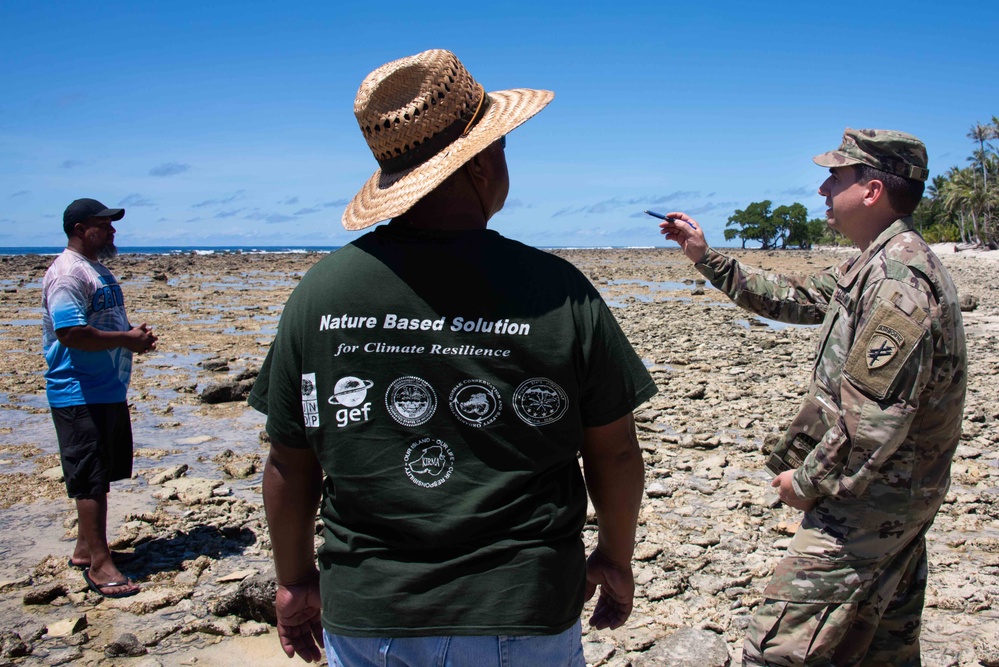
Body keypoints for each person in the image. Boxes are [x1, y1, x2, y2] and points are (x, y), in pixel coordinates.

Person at [248, 49, 657, 665]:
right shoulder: (558, 289)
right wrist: (616, 557)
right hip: (526, 604)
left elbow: (289, 461)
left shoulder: (320, 293)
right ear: (481, 163)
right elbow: (617, 450)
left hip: (372, 611)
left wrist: (295, 578)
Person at [658, 129, 967, 666]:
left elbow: (873, 420)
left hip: (872, 498)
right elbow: (797, 300)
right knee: (880, 648)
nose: (823, 188)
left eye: (836, 176)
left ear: (872, 191)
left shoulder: (899, 278)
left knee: (778, 648)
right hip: (894, 493)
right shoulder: (872, 261)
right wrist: (705, 257)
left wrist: (805, 482)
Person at [42, 198, 158, 599]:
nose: (112, 231)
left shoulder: (97, 270)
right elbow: (70, 333)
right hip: (77, 389)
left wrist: (132, 335)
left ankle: (84, 547)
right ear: (78, 228)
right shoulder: (67, 275)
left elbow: (101, 321)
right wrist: (126, 339)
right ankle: (100, 565)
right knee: (89, 479)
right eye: (103, 225)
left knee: (101, 472)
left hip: (106, 387)